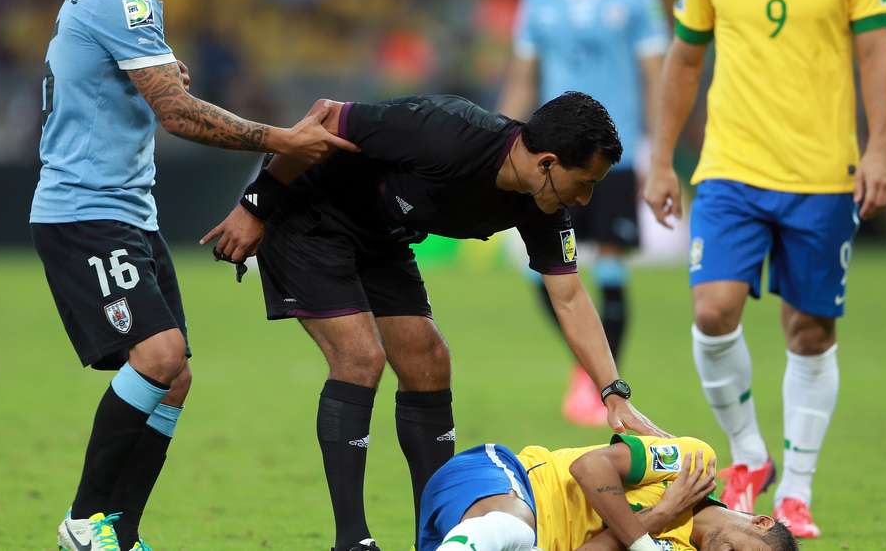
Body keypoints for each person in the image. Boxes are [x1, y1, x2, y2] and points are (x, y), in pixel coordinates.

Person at [29, 0, 355, 549]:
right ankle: (84, 519)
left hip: (125, 209)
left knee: (174, 377)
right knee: (160, 353)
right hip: (84, 211)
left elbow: (156, 91)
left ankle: (118, 532)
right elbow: (176, 112)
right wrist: (283, 139)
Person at [202, 92, 669, 551]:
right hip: (309, 213)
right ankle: (352, 541)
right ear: (547, 162)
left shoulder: (542, 205)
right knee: (360, 357)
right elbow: (327, 119)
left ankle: (437, 536)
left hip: (380, 236)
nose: (585, 199)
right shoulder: (447, 130)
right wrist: (254, 206)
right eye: (585, 182)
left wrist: (612, 392)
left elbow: (568, 296)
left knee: (429, 362)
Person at [644, 0, 886, 538]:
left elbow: (875, 50)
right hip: (731, 170)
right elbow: (684, 61)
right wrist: (663, 159)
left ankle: (798, 491)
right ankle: (750, 454)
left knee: (810, 330)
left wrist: (880, 150)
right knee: (712, 309)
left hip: (822, 174)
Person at [500, 0, 668, 427]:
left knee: (612, 261)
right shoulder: (539, 1)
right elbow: (524, 74)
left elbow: (655, 76)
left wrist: (660, 148)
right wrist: (502, 140)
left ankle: (600, 380)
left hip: (610, 157)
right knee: (541, 268)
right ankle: (586, 364)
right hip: (549, 158)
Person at [418, 433, 798, 551]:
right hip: (499, 480)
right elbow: (589, 467)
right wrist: (647, 538)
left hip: (500, 541)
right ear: (761, 523)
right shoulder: (694, 464)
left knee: (521, 539)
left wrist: (659, 518)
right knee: (513, 524)